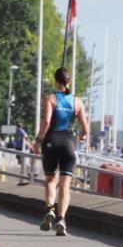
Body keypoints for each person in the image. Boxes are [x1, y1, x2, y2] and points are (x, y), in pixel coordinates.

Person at [32, 66, 88, 236]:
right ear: (69, 81)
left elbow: (46, 122)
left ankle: (50, 209)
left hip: (51, 142)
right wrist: (82, 137)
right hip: (69, 144)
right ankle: (61, 218)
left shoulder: (50, 98)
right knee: (65, 185)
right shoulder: (77, 102)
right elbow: (85, 129)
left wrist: (38, 140)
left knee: (50, 180)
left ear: (56, 81)